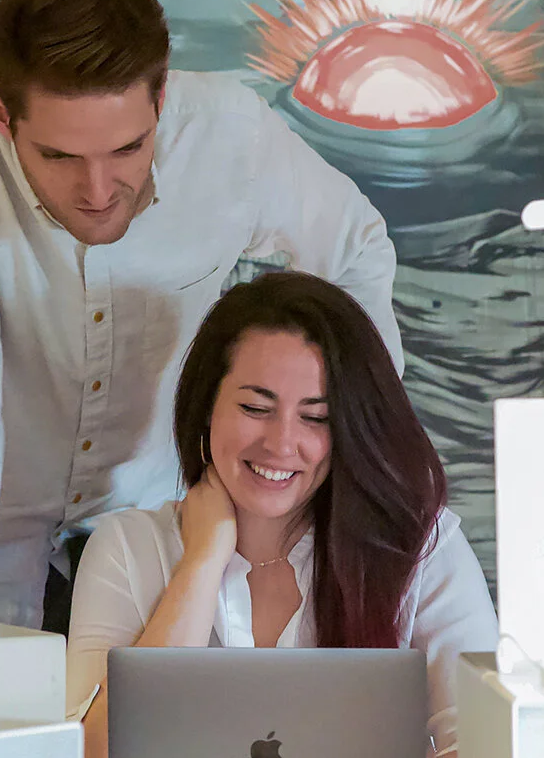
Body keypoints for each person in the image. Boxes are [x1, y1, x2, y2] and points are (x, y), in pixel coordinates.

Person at [0, 0, 403, 631]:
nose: (98, 190)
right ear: (2, 116)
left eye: (128, 148)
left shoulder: (229, 136)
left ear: (161, 99)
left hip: (149, 535)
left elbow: (355, 248)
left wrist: (354, 450)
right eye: (60, 156)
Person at [65, 271, 497, 758]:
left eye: (316, 418)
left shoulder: (421, 548)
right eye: (255, 407)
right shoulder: (126, 548)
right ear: (207, 407)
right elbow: (92, 751)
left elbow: (486, 740)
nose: (280, 444)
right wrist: (202, 564)